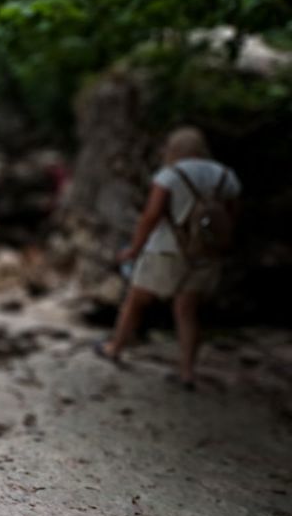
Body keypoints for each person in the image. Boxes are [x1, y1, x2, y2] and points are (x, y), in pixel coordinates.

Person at [96, 126, 241, 389]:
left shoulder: (170, 175)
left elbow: (151, 216)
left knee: (136, 300)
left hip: (166, 249)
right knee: (187, 310)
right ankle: (187, 372)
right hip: (204, 253)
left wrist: (134, 248)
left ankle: (115, 347)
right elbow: (230, 218)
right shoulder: (226, 175)